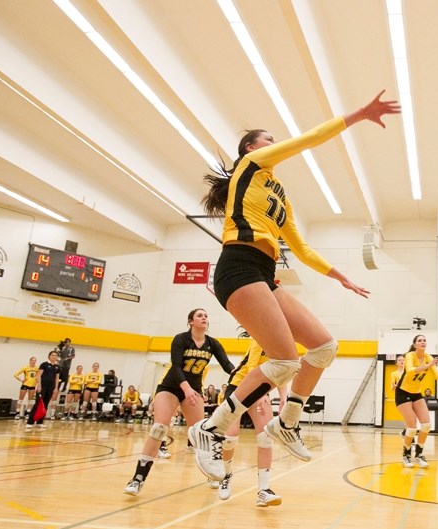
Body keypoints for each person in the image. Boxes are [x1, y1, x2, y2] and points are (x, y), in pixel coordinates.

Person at [189, 90, 400, 481]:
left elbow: (300, 249)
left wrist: (341, 277)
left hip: (265, 274)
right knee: (284, 360)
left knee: (323, 347)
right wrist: (358, 114)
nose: (274, 143)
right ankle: (210, 428)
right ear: (251, 147)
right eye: (268, 138)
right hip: (238, 266)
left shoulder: (278, 194)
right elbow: (310, 140)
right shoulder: (251, 166)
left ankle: (287, 422)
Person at [123, 308, 234, 496]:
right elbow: (175, 366)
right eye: (200, 315)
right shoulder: (181, 339)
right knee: (159, 428)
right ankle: (137, 479)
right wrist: (186, 388)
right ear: (191, 321)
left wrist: (241, 378)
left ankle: (211, 473)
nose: (204, 318)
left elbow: (227, 365)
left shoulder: (213, 344)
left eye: (206, 315)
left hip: (193, 390)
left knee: (202, 433)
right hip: (171, 387)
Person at [218, 340, 286, 506]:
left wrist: (284, 398)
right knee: (230, 437)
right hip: (238, 386)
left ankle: (264, 490)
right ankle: (225, 476)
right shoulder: (259, 338)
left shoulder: (285, 344)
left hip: (260, 390)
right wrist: (260, 394)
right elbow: (251, 368)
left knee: (265, 437)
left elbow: (284, 372)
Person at [394, 334, 438, 468]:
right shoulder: (410, 355)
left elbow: (437, 376)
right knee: (412, 427)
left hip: (416, 393)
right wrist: (428, 365)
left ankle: (419, 455)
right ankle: (406, 455)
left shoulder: (428, 357)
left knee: (426, 425)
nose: (423, 342)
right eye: (420, 341)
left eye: (424, 340)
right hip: (403, 393)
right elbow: (410, 371)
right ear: (415, 345)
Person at [26, 351, 60, 429]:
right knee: (38, 403)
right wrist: (39, 386)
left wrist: (56, 388)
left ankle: (40, 422)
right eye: (52, 355)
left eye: (55, 355)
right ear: (49, 356)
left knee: (45, 404)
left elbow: (57, 378)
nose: (54, 356)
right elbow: (39, 376)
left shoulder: (57, 367)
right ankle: (30, 422)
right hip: (42, 386)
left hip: (51, 387)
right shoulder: (44, 364)